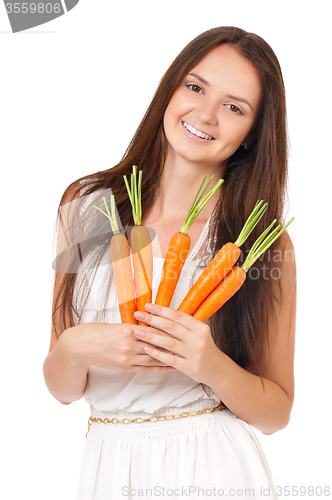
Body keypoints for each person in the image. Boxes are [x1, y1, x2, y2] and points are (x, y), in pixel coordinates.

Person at [43, 26, 296, 500]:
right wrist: (75, 347)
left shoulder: (257, 244)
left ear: (251, 135)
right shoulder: (88, 204)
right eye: (195, 87)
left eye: (234, 107)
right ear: (171, 88)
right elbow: (61, 387)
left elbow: (276, 412)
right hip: (107, 465)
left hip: (213, 467)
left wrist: (211, 365)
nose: (205, 114)